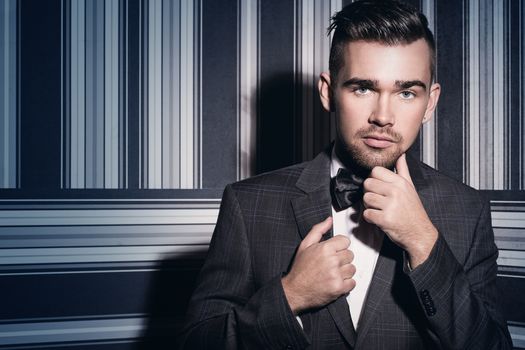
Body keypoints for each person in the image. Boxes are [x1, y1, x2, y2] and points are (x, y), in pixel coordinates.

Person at [180, 0, 513, 348]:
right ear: (328, 92)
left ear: (429, 102)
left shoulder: (468, 210)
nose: (382, 116)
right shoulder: (247, 205)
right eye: (363, 88)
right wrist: (290, 295)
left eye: (406, 92)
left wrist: (421, 240)